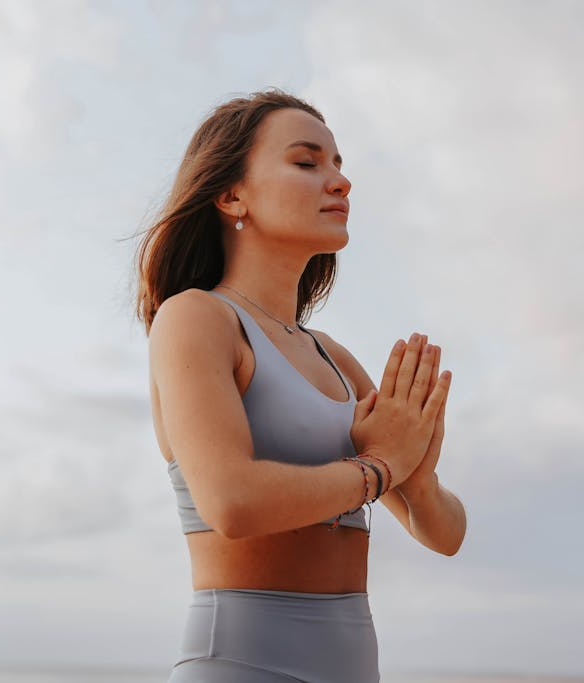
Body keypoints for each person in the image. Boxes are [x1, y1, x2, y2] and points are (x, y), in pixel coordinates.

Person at [131, 88, 466, 682]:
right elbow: (232, 503)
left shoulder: (332, 357)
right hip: (239, 663)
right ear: (232, 194)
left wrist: (420, 470)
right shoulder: (197, 318)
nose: (340, 181)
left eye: (338, 165)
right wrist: (383, 467)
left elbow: (443, 534)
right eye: (307, 163)